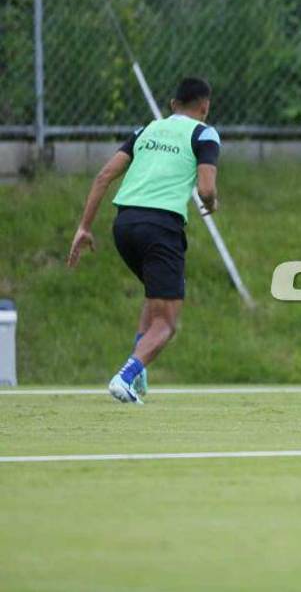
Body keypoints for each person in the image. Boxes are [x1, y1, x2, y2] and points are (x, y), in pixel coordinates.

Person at [67, 77, 221, 404]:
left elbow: (104, 176)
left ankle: (139, 372)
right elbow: (206, 190)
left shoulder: (145, 131)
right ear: (205, 107)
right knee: (166, 323)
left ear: (172, 104)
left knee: (155, 296)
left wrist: (84, 227)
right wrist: (211, 203)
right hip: (160, 227)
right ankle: (125, 377)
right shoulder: (203, 133)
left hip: (124, 225)